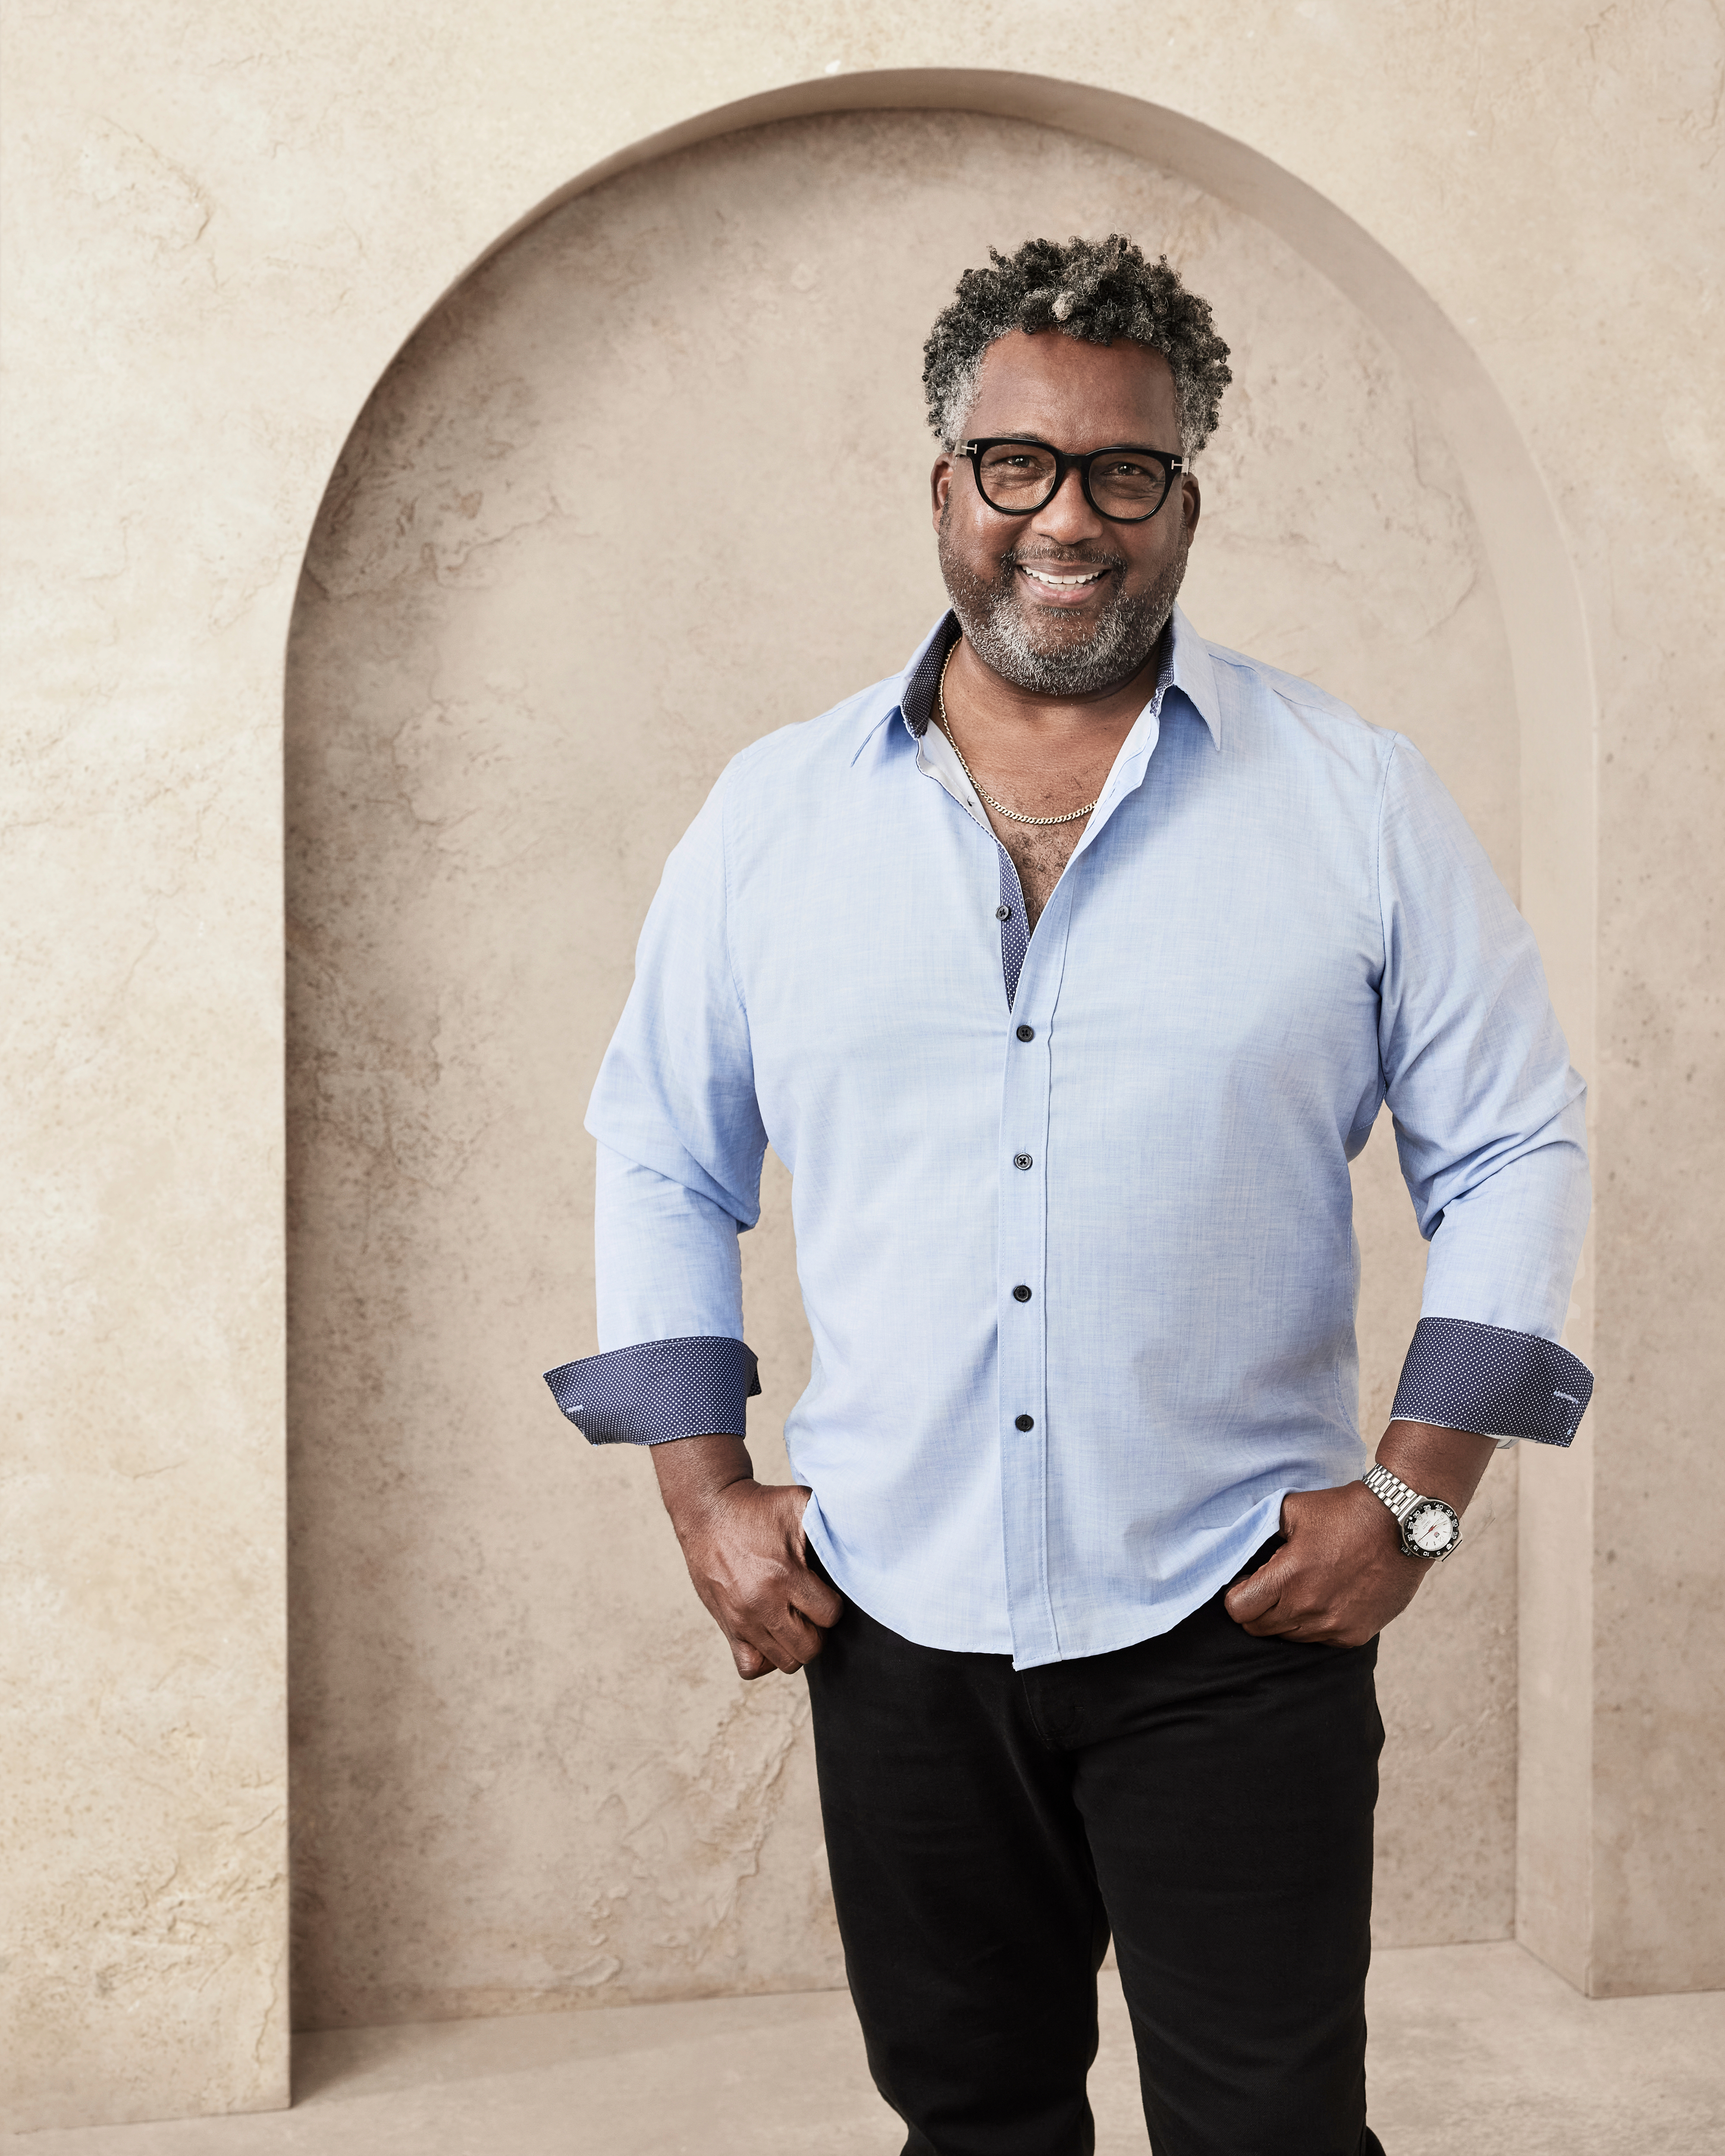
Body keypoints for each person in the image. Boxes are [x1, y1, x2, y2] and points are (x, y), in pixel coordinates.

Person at [545, 234, 1592, 2156]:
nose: (1069, 519)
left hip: (1239, 1615)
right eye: (1019, 464)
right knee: (974, 2118)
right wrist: (703, 1496)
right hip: (896, 1613)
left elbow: (1513, 1137)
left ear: (1181, 496)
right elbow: (660, 1148)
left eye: (1126, 470)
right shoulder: (772, 817)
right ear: (946, 483)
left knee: (1272, 2128)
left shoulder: (1353, 795)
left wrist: (1417, 1504)